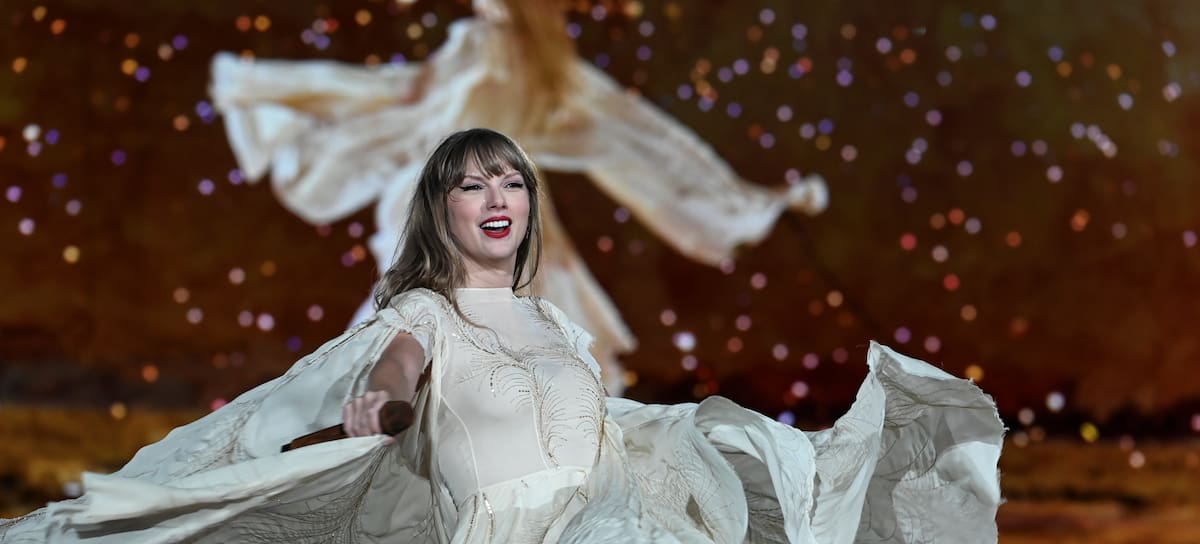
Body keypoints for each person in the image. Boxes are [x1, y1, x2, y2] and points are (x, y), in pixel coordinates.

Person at [0, 129, 1002, 543]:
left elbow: (607, 435)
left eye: (511, 180)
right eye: (472, 183)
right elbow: (395, 367)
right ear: (439, 208)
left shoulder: (559, 323)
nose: (496, 195)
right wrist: (385, 399)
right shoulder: (422, 314)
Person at [210, 0, 830, 395]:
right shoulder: (528, 59)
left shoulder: (510, 54)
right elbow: (642, 138)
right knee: (451, 321)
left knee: (445, 321)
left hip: (476, 203)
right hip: (486, 204)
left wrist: (743, 201)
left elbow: (634, 137)